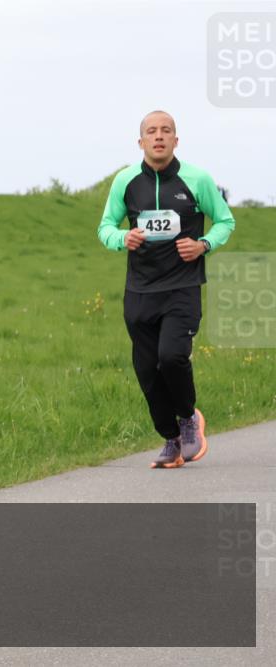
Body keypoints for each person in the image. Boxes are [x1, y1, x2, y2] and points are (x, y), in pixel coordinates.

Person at [97, 110, 235, 469]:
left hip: (182, 287)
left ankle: (189, 419)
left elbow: (225, 221)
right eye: (151, 131)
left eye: (166, 131)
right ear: (140, 142)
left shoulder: (197, 179)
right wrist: (121, 238)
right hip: (140, 290)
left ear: (176, 140)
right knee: (146, 369)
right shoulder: (125, 181)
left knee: (171, 357)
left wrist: (203, 244)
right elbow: (105, 226)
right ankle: (171, 439)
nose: (159, 136)